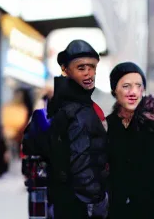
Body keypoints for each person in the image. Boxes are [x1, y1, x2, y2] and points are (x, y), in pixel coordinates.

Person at [45, 40, 109, 219]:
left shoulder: (67, 104)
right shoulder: (77, 110)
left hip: (67, 202)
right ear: (66, 70)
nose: (88, 73)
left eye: (92, 67)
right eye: (81, 68)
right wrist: (98, 201)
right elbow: (81, 163)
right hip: (82, 206)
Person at [107, 62, 154, 219]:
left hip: (151, 206)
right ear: (114, 90)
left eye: (138, 86)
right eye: (126, 86)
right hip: (118, 207)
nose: (133, 92)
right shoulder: (107, 125)